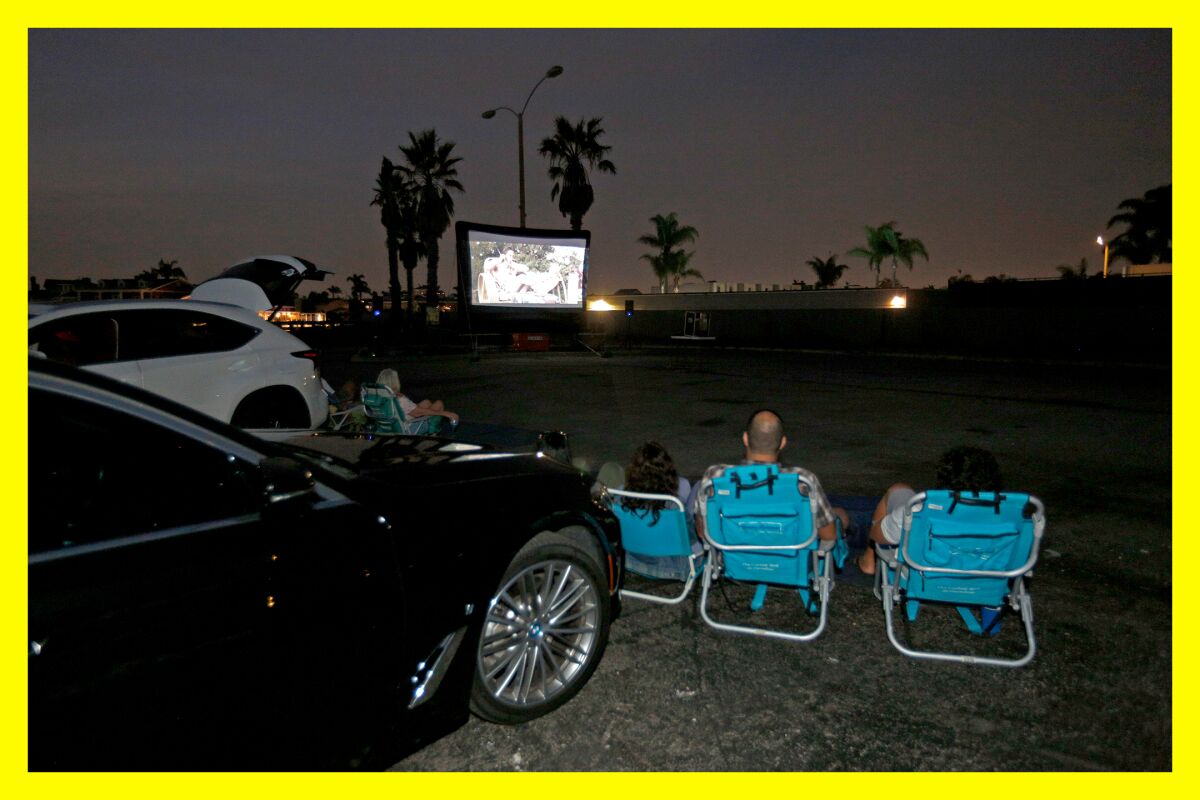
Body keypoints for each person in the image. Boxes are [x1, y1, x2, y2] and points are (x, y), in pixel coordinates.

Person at [690, 409, 848, 544]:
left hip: (732, 562)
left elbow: (703, 531)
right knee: (840, 516)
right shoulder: (802, 481)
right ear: (782, 443)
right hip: (790, 564)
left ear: (745, 439)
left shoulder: (716, 476)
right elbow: (829, 536)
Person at [855, 445, 1004, 576]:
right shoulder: (1011, 516)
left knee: (898, 490)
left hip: (923, 576)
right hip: (986, 578)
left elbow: (878, 536)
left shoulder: (918, 512)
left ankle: (869, 560)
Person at [615, 441, 700, 581]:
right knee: (698, 486)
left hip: (633, 560)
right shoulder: (674, 504)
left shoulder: (619, 497)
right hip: (674, 566)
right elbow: (691, 538)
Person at [374, 368, 459, 430]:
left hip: (389, 423)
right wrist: (446, 414)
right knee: (439, 404)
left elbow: (408, 409)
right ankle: (432, 431)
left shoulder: (378, 395)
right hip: (408, 426)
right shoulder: (399, 399)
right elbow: (417, 413)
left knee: (426, 402)